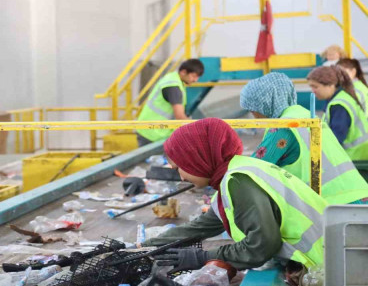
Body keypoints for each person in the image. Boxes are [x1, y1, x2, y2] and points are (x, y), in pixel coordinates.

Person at [145, 118, 327, 271]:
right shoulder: (238, 172)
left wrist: (203, 257)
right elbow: (198, 228)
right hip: (322, 257)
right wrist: (145, 247)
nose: (182, 177)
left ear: (197, 158)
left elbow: (262, 246)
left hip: (320, 264)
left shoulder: (238, 182)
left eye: (180, 168)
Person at [240, 72, 368, 204]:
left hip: (336, 204)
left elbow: (254, 168)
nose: (253, 115)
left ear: (265, 104)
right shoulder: (304, 115)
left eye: (252, 109)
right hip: (357, 194)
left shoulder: (283, 127)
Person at [136, 59, 204, 146]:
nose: (195, 80)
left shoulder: (173, 79)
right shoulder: (173, 87)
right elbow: (179, 116)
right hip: (152, 132)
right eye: (193, 76)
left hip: (151, 129)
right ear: (183, 72)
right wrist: (198, 129)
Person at [307, 66, 368, 160]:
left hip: (352, 158)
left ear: (331, 85)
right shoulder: (344, 96)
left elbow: (335, 139)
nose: (313, 91)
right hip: (360, 154)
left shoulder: (339, 105)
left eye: (315, 87)